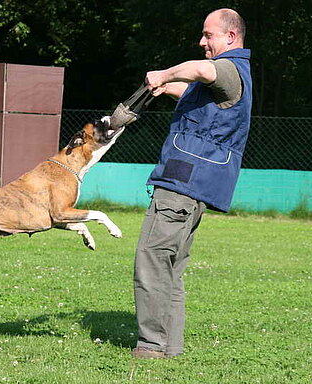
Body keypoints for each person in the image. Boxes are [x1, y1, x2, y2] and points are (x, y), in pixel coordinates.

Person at [132, 8, 252, 359]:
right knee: (170, 267)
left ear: (231, 37)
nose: (202, 41)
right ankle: (169, 346)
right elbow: (205, 103)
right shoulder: (234, 77)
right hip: (196, 186)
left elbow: (201, 71)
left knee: (151, 259)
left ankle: (151, 346)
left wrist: (162, 74)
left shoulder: (228, 68)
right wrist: (171, 89)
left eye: (208, 35)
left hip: (182, 183)